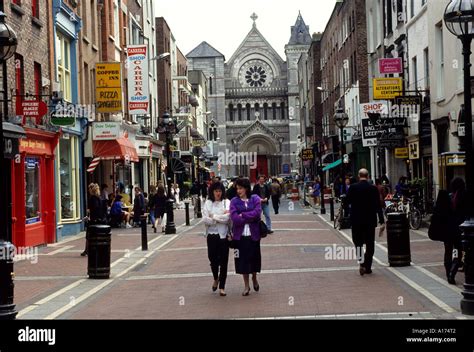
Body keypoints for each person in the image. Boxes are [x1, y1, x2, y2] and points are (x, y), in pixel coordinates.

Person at [346, 169, 385, 275]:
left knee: (357, 243)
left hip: (356, 220)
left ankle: (361, 263)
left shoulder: (353, 187)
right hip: (370, 220)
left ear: (359, 176)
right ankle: (367, 266)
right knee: (370, 243)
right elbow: (378, 206)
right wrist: (382, 220)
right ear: (367, 176)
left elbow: (347, 202)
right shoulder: (373, 189)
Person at [230, 178, 263, 296]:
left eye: (241, 188)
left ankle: (254, 277)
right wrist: (249, 216)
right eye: (237, 188)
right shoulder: (234, 201)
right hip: (240, 236)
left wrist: (243, 214)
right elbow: (234, 218)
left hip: (253, 235)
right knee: (243, 261)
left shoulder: (254, 198)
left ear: (246, 188)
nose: (239, 191)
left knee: (254, 259)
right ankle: (246, 285)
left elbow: (257, 213)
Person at [203, 182, 231, 297]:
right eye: (216, 191)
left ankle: (222, 286)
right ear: (212, 192)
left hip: (223, 235)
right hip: (211, 235)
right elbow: (205, 219)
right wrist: (219, 217)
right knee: (212, 259)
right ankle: (216, 277)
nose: (218, 193)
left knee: (224, 261)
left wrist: (213, 216)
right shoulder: (208, 203)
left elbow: (228, 218)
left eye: (220, 191)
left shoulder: (226, 202)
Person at [81, 183, 106, 256]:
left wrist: (88, 216)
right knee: (96, 236)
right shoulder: (100, 198)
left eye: (89, 189)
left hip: (93, 220)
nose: (88, 190)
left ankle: (87, 250)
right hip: (99, 220)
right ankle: (94, 250)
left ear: (91, 190)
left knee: (89, 236)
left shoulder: (92, 198)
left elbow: (92, 209)